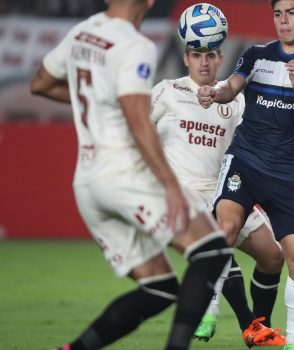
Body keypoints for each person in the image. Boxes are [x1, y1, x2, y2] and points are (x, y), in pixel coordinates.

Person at [29, 1, 233, 349]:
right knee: (212, 253)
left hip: (87, 183)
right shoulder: (135, 46)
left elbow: (40, 84)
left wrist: (95, 102)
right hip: (123, 175)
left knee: (160, 288)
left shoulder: (83, 32)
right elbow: (140, 123)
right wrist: (170, 185)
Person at [196, 1, 294, 349]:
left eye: (291, 12)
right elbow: (231, 86)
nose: (283, 20)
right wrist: (215, 92)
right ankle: (208, 310)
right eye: (278, 13)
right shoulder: (256, 54)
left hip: (285, 172)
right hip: (244, 159)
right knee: (225, 228)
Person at [150, 41, 286, 346]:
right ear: (185, 58)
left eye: (210, 55)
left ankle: (259, 325)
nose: (204, 62)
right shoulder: (167, 91)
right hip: (184, 193)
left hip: (225, 190)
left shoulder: (234, 98)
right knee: (219, 241)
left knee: (274, 256)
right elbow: (136, 126)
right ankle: (248, 325)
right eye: (196, 55)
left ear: (220, 58)